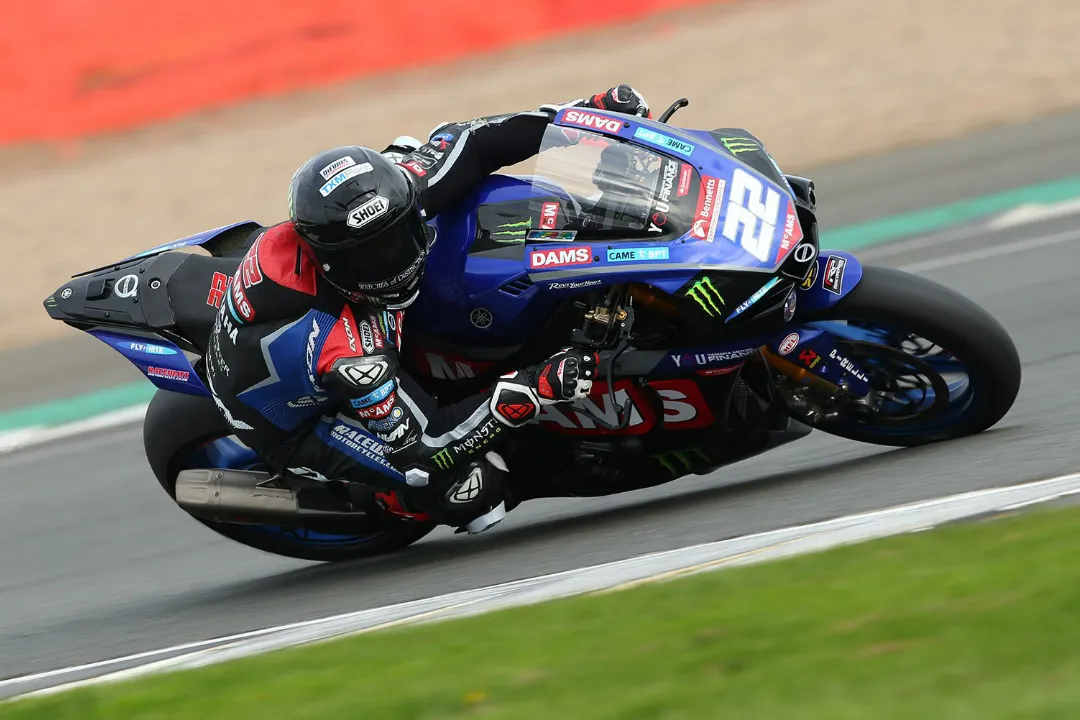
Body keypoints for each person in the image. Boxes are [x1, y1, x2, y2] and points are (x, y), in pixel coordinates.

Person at [205, 85, 652, 535]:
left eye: (400, 236)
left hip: (320, 325)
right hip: (300, 421)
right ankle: (390, 503)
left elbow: (473, 141)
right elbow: (429, 443)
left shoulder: (390, 196)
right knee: (471, 490)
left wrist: (585, 120)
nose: (398, 260)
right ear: (331, 260)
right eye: (374, 257)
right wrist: (536, 386)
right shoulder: (347, 353)